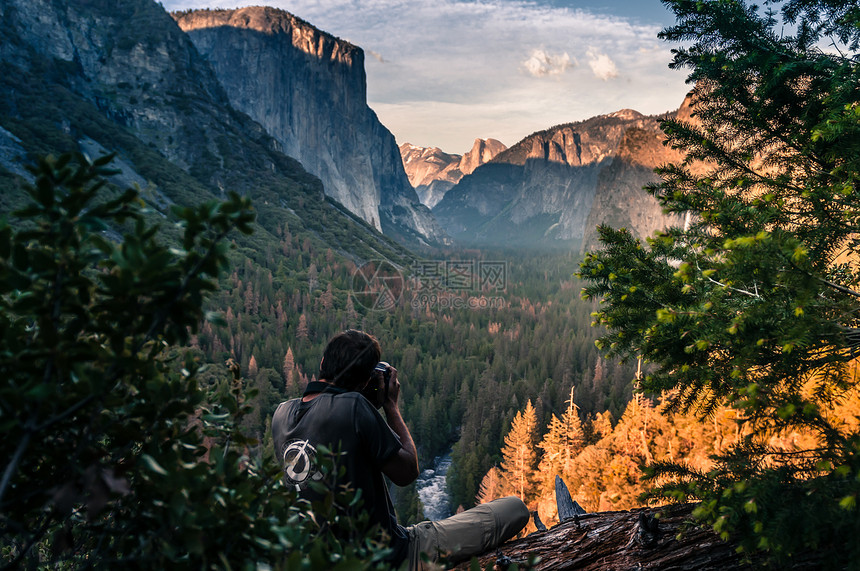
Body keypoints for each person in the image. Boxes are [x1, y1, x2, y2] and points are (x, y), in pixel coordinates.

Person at [272, 329, 529, 569]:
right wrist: (390, 406)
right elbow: (407, 472)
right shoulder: (353, 406)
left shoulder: (281, 414)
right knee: (514, 509)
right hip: (390, 557)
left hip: (318, 560)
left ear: (323, 362)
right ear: (365, 380)